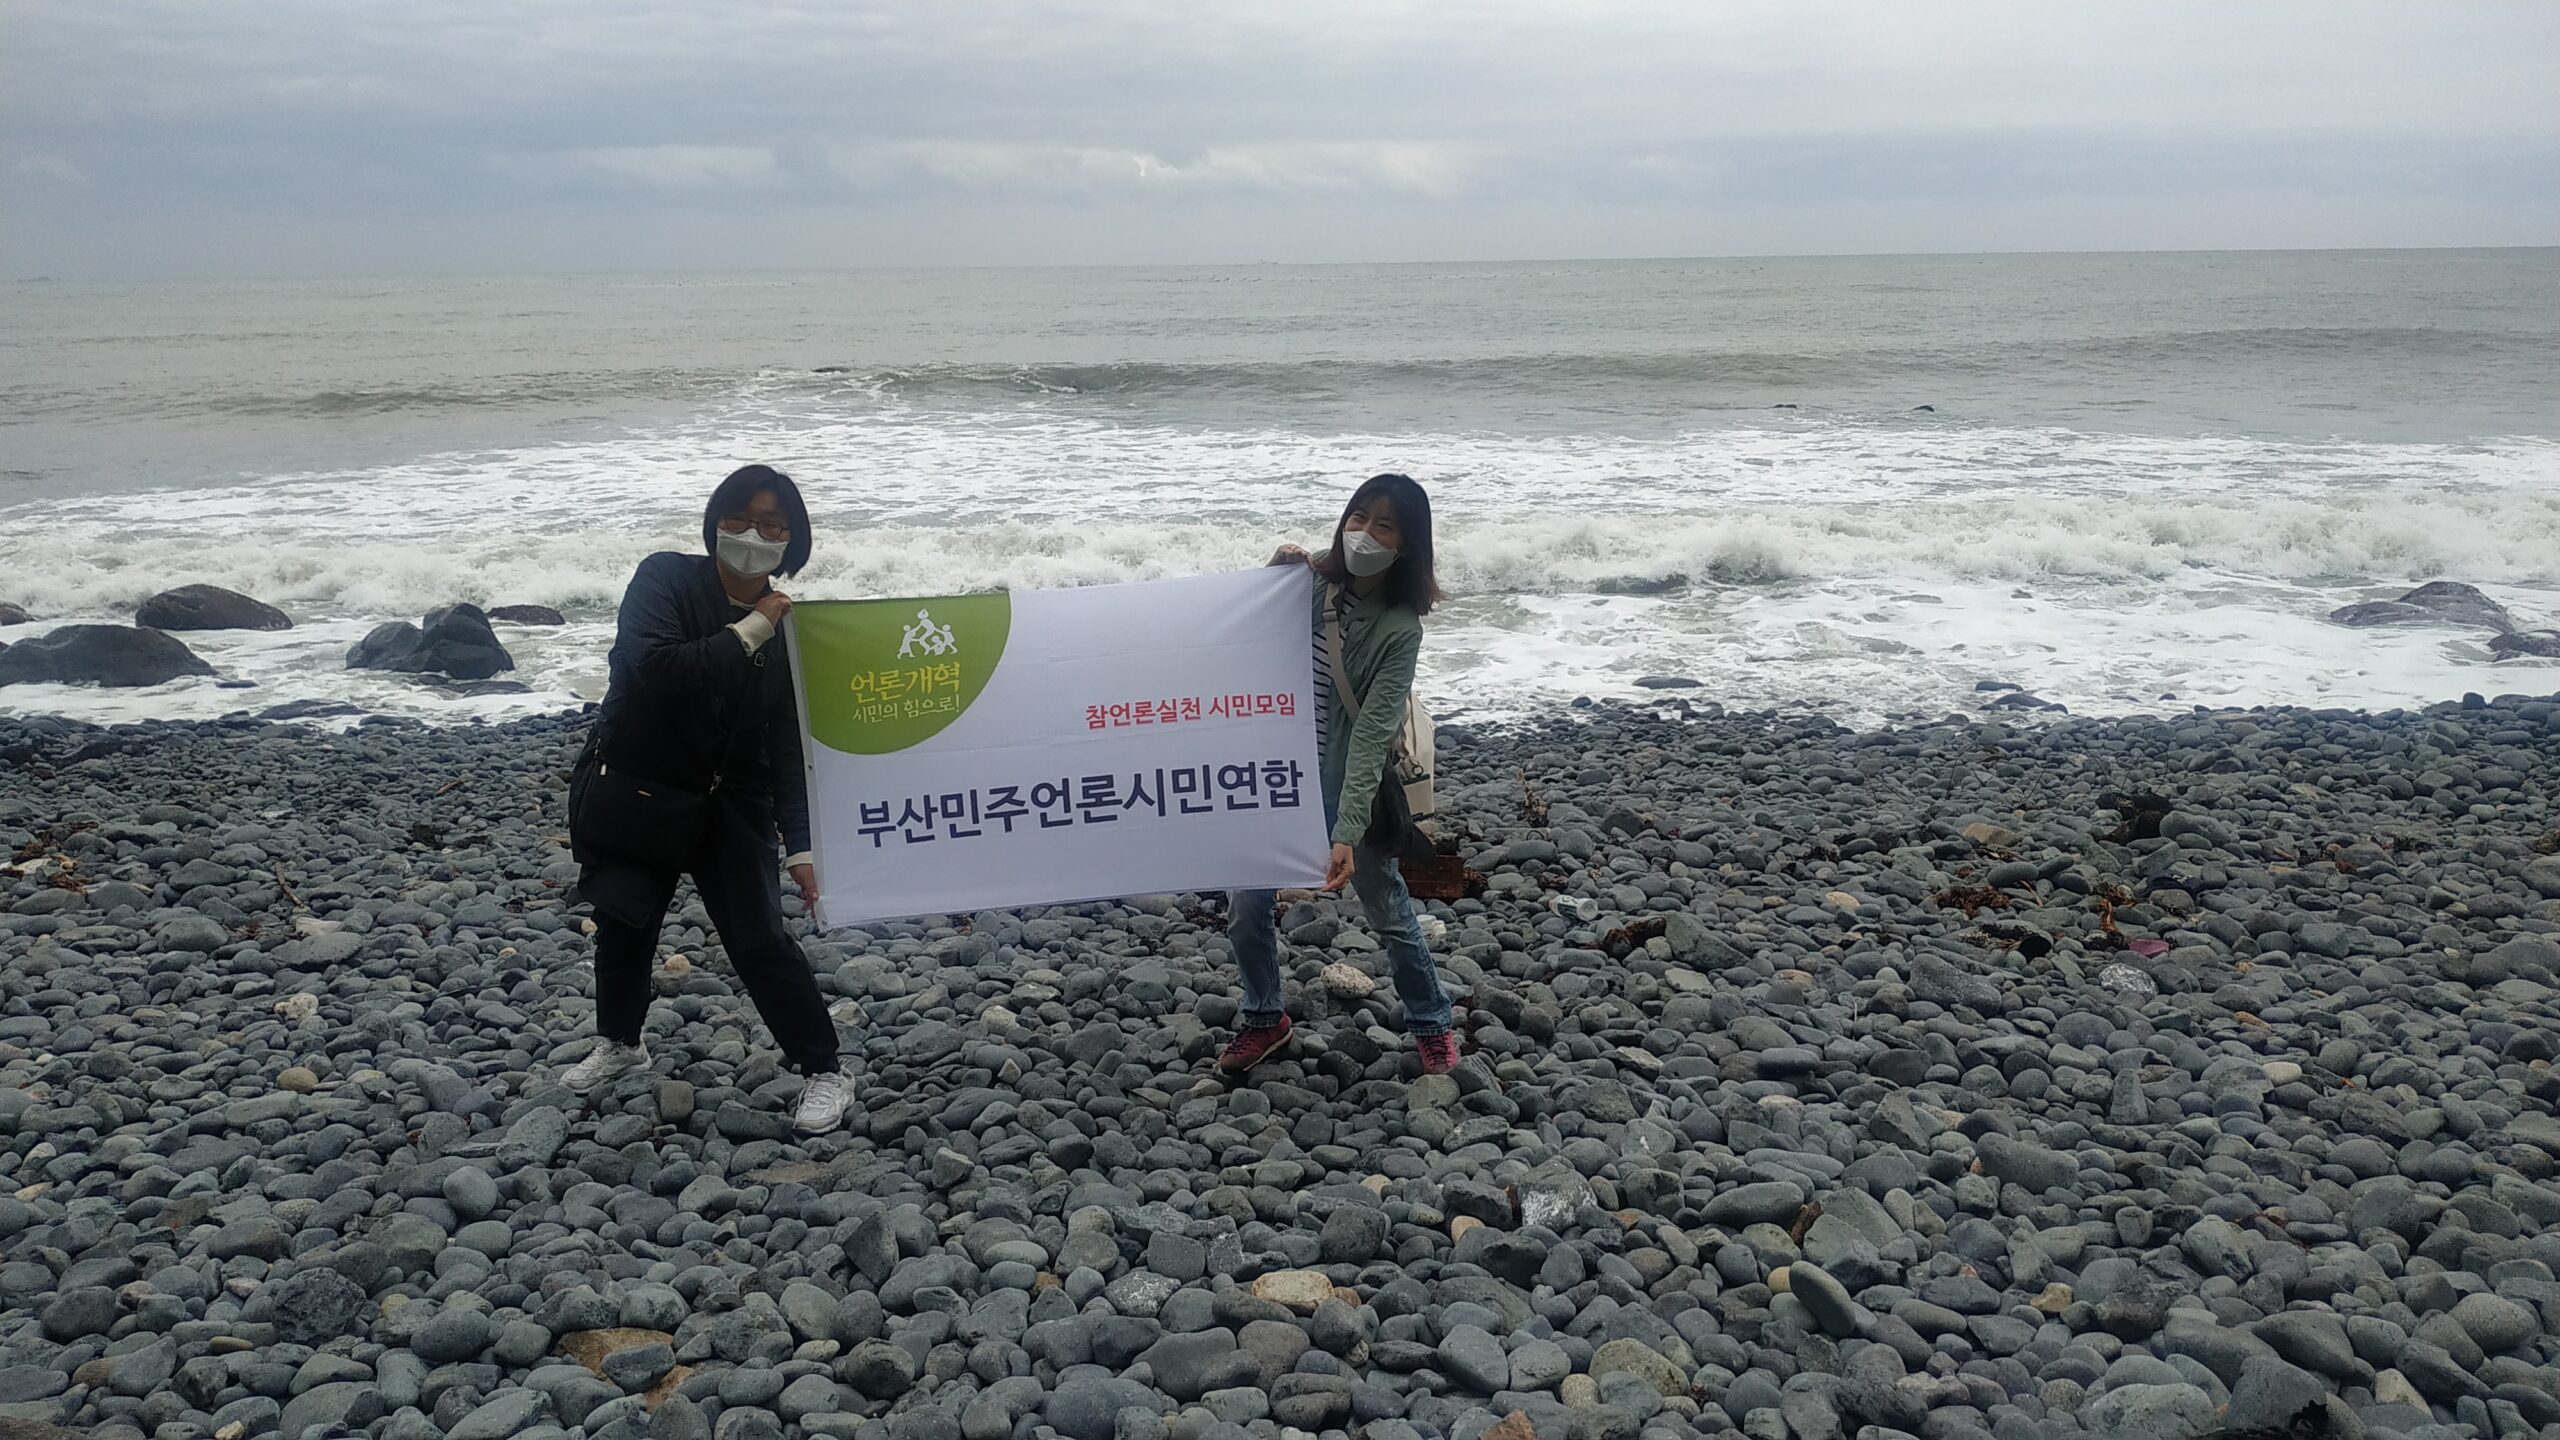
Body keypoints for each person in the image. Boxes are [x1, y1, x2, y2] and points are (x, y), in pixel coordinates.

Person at [562, 464, 857, 1133]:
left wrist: (801, 846)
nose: (754, 535)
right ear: (714, 522)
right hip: (641, 785)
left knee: (759, 939)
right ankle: (621, 1042)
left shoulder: (791, 630)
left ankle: (825, 1068)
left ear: (793, 539)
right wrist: (753, 626)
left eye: (772, 525)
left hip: (734, 801)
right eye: (740, 519)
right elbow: (655, 669)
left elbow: (786, 743)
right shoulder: (664, 580)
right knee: (624, 920)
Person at [1220, 472, 1458, 1077]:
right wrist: (1270, 575)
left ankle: (1432, 1023)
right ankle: (1263, 1016)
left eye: (1385, 525)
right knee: (1245, 908)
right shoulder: (1306, 587)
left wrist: (1347, 830)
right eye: (1358, 517)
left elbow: (1372, 734)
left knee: (1388, 909)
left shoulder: (1399, 629)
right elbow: (1239, 639)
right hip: (1274, 780)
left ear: (1406, 544)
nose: (1365, 533)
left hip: (1345, 788)